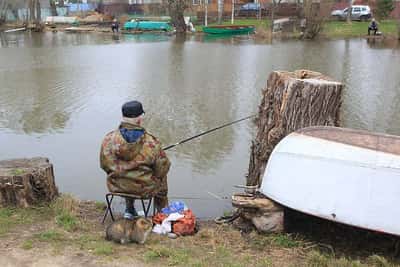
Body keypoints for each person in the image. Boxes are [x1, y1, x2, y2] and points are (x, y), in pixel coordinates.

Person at [100, 100, 171, 220]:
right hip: (144, 190)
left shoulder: (108, 139)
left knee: (125, 173)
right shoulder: (152, 142)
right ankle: (163, 215)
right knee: (162, 178)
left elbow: (104, 165)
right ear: (139, 119)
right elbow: (162, 169)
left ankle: (129, 210)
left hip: (116, 186)